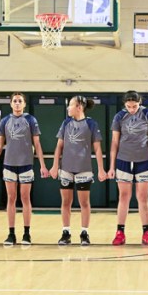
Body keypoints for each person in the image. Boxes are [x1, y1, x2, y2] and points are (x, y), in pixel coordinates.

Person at [0, 93, 47, 246]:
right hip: (9, 164)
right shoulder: (5, 121)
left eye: (20, 101)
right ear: (11, 104)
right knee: (11, 198)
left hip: (26, 164)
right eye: (15, 101)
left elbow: (37, 144)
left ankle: (26, 233)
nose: (17, 103)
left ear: (24, 104)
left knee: (25, 198)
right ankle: (11, 234)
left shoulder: (31, 120)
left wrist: (43, 165)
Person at [48, 95, 107, 246]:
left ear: (79, 107)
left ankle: (84, 233)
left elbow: (97, 149)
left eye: (70, 105)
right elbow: (59, 146)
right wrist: (55, 166)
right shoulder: (66, 123)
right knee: (65, 202)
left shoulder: (91, 124)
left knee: (84, 203)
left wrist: (101, 169)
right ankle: (66, 232)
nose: (68, 108)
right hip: (66, 169)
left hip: (84, 169)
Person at [107, 90, 148, 246]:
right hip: (123, 160)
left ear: (139, 103)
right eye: (128, 106)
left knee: (142, 197)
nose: (131, 109)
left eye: (134, 106)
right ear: (124, 104)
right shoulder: (119, 116)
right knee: (124, 196)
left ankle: (147, 233)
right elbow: (114, 142)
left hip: (144, 160)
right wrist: (111, 166)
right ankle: (120, 232)